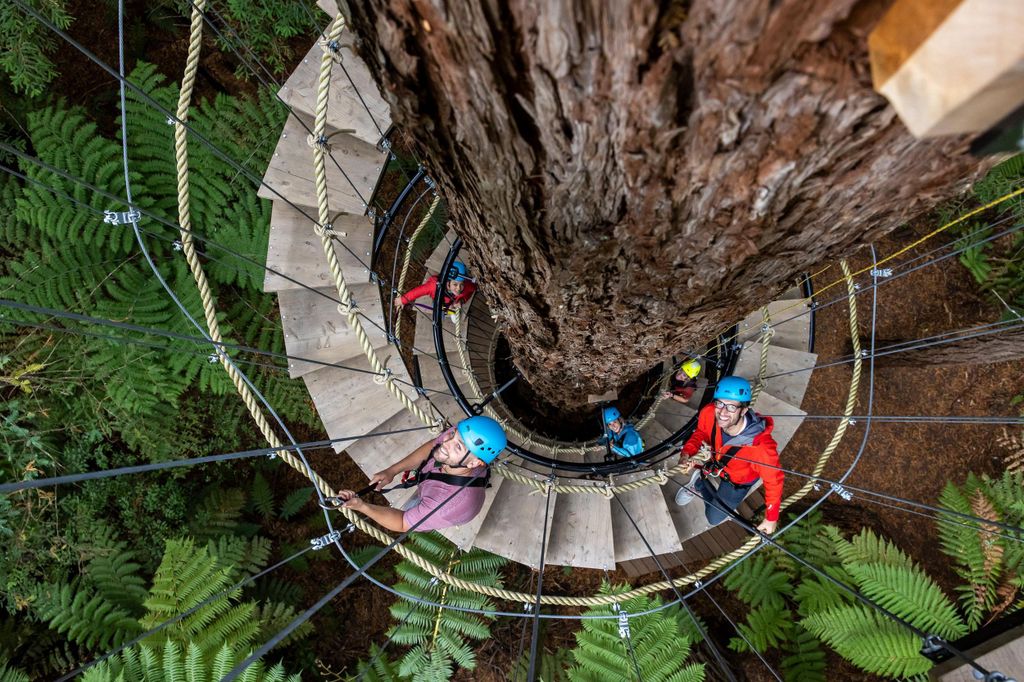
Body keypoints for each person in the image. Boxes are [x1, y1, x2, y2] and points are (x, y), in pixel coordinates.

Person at [336, 415, 507, 532]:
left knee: (414, 511)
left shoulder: (450, 505)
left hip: (449, 506)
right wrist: (392, 471)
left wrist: (362, 506)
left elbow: (403, 523)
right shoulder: (462, 434)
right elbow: (433, 445)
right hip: (434, 481)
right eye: (452, 435)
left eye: (458, 446)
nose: (446, 442)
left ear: (474, 463)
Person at [674, 376, 783, 534]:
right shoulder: (709, 412)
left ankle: (699, 484)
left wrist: (771, 517)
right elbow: (701, 433)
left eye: (731, 407)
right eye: (720, 403)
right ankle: (699, 480)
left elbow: (774, 480)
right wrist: (687, 452)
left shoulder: (761, 447)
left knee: (713, 518)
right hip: (717, 461)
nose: (723, 412)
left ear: (744, 410)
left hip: (738, 481)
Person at [393, 260, 477, 312]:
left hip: (451, 301)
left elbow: (473, 289)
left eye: (461, 284)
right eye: (455, 284)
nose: (459, 288)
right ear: (447, 282)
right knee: (441, 308)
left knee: (449, 307)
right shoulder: (433, 286)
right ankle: (445, 309)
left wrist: (462, 300)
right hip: (439, 299)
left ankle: (448, 308)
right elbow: (418, 292)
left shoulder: (466, 286)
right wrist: (403, 300)